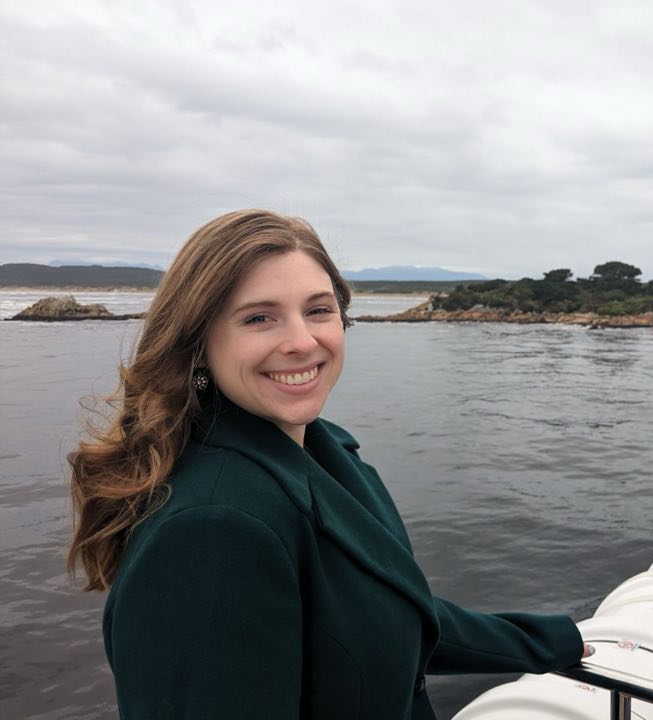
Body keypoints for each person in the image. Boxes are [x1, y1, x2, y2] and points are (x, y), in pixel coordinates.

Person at [68, 209, 589, 719]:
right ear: (199, 346)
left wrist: (551, 641)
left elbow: (393, 613)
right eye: (259, 317)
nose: (302, 341)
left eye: (318, 310)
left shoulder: (326, 452)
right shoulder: (212, 528)